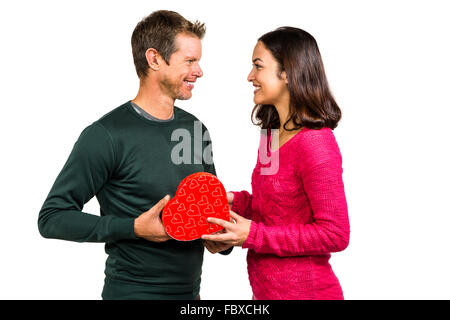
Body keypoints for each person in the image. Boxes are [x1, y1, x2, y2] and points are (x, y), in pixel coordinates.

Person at [38, 10, 231, 300]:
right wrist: (133, 228)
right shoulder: (106, 135)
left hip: (191, 297)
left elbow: (210, 209)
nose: (199, 71)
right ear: (154, 59)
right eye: (189, 61)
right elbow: (52, 217)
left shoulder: (194, 129)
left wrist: (221, 240)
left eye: (198, 61)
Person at [202, 27, 350, 300]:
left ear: (287, 73)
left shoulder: (316, 143)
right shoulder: (270, 135)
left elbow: (335, 234)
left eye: (258, 66)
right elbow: (271, 207)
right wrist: (232, 201)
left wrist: (252, 234)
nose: (250, 77)